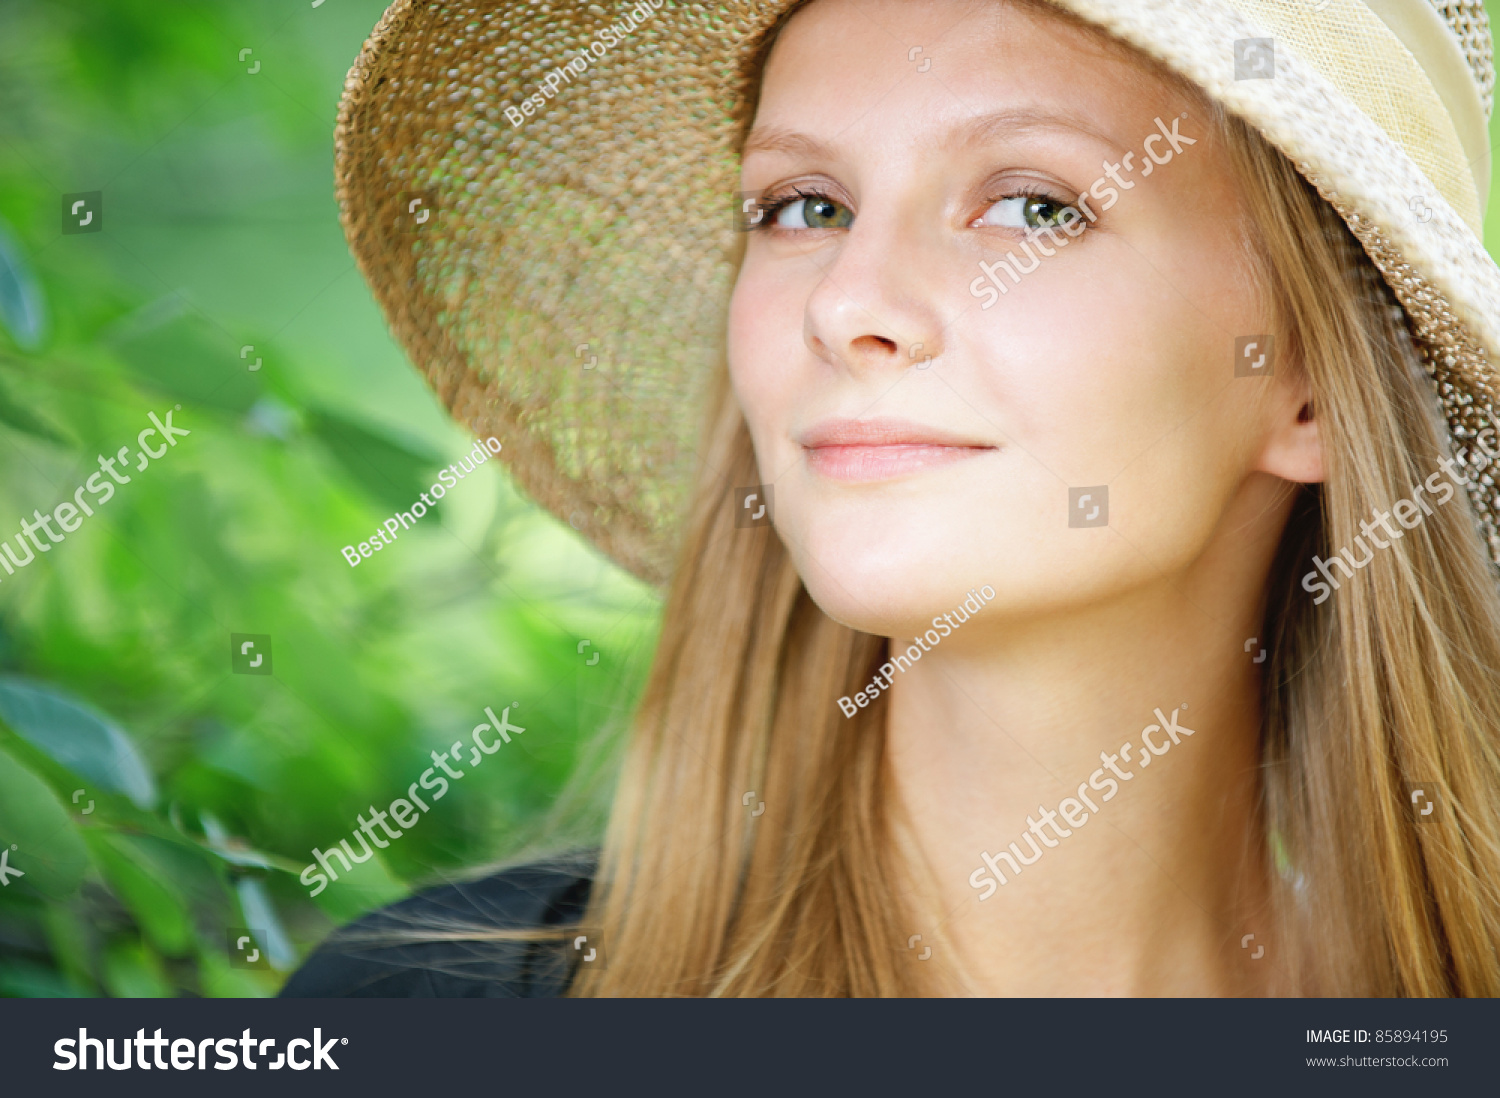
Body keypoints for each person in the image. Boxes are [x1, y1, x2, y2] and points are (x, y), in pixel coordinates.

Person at [282, 0, 1500, 997]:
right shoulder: (427, 1014)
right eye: (805, 208)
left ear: (1312, 393)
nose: (845, 302)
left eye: (1033, 205)